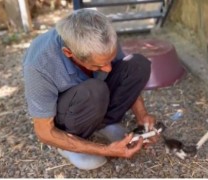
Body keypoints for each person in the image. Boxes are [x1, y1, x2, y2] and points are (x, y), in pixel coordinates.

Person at [23, 9, 157, 170]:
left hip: (92, 96)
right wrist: (106, 150)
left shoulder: (102, 36)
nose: (107, 69)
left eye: (109, 60)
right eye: (98, 65)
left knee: (137, 65)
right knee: (94, 90)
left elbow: (123, 73)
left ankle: (104, 123)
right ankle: (69, 145)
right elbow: (44, 132)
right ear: (68, 53)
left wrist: (142, 115)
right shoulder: (39, 65)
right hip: (68, 113)